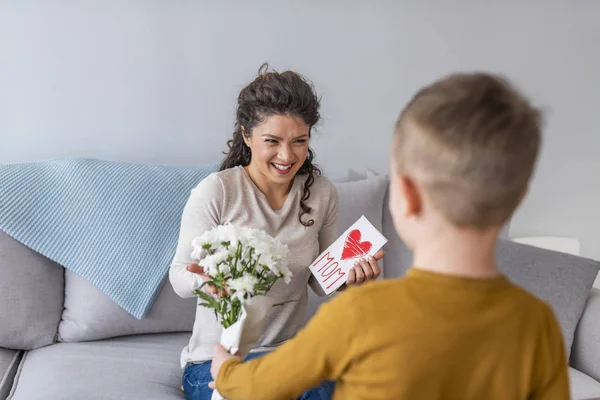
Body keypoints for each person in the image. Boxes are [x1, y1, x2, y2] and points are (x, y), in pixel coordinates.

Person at [208, 72, 570, 399]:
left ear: (407, 196)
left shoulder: (359, 314)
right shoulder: (538, 324)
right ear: (516, 200)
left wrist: (224, 369)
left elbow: (257, 385)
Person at [168, 63, 384, 400]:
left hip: (289, 357)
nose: (287, 156)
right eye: (273, 141)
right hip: (218, 360)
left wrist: (352, 278)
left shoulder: (322, 193)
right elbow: (179, 276)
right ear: (246, 135)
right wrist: (207, 280)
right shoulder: (218, 191)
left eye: (300, 141)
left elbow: (319, 280)